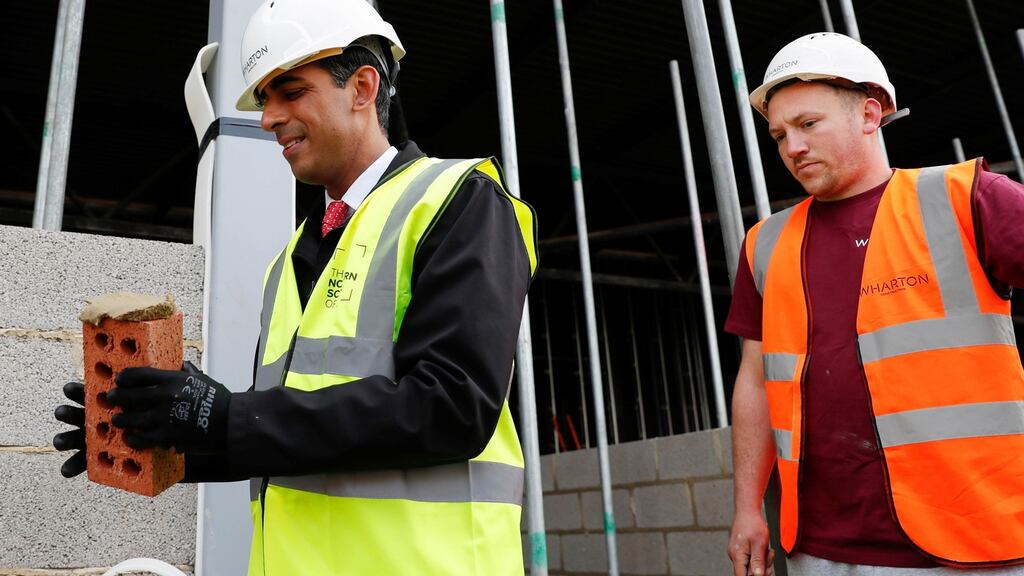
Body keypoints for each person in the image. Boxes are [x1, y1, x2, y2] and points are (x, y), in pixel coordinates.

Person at [52, 0, 537, 574]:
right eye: (263, 100)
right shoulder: (290, 259)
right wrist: (175, 437)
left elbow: (453, 406)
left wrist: (226, 416)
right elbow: (297, 435)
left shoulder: (458, 200)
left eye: (290, 91)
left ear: (362, 87)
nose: (267, 118)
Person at [726, 32, 1024, 576]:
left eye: (808, 125)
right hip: (824, 547)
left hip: (978, 538)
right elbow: (754, 379)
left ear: (869, 115)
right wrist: (747, 508)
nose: (791, 148)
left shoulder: (965, 197)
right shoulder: (764, 245)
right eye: (778, 135)